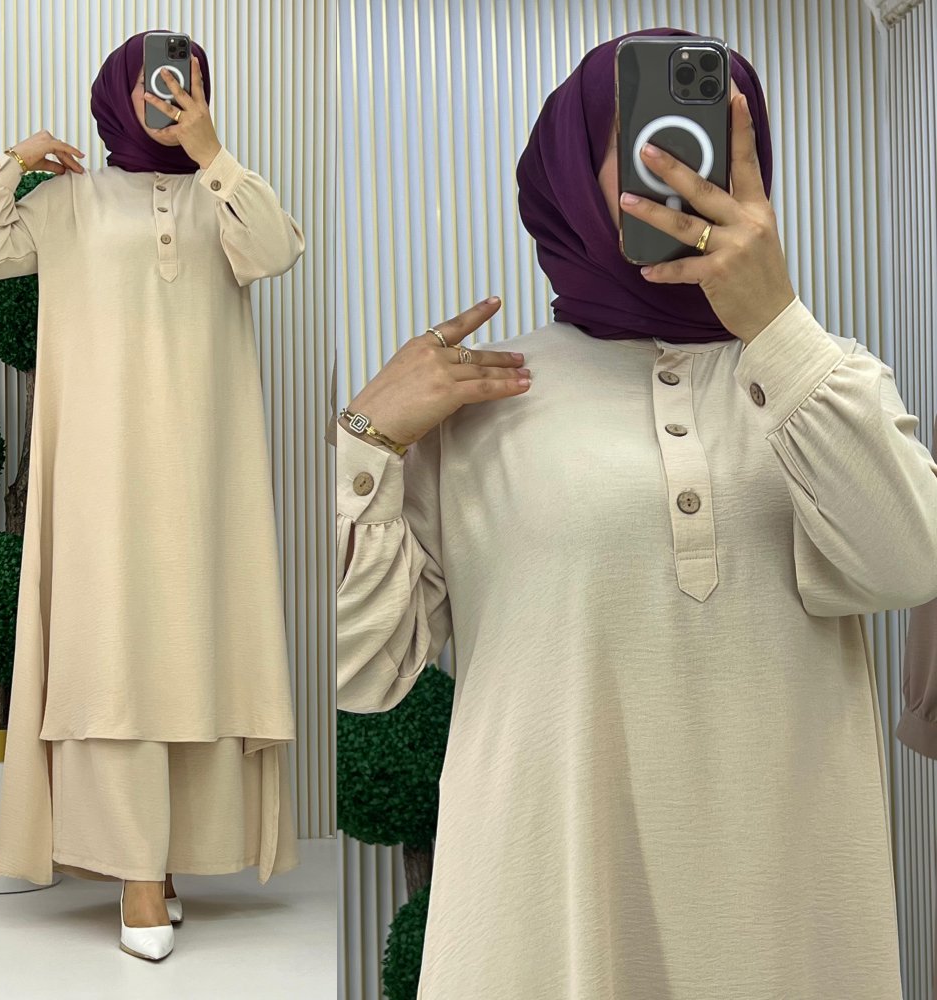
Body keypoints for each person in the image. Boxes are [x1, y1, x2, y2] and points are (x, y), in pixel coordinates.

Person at [335, 25, 937, 1000]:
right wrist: (363, 441)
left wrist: (778, 326)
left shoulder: (827, 380)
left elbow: (908, 565)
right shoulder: (481, 399)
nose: (683, 166)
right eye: (652, 136)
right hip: (548, 917)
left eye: (715, 139)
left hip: (779, 924)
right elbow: (359, 670)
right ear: (573, 168)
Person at [0, 30, 304, 962]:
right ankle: (136, 874)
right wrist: (15, 161)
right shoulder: (70, 202)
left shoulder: (225, 194)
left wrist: (212, 153)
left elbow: (276, 251)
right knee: (115, 658)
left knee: (193, 649)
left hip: (207, 475)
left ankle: (169, 859)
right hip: (102, 476)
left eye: (184, 82)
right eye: (153, 83)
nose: (166, 96)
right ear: (119, 92)